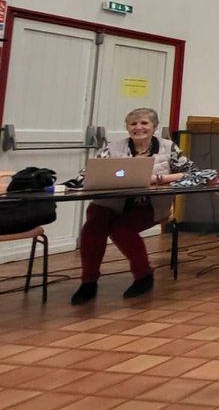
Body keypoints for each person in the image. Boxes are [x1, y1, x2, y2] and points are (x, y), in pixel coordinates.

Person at [70, 108, 201, 305]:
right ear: (127, 127)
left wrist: (160, 179)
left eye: (144, 123)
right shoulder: (112, 148)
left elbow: (194, 173)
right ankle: (88, 282)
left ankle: (143, 275)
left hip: (149, 205)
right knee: (92, 228)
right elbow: (85, 175)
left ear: (154, 127)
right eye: (133, 124)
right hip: (111, 204)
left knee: (121, 229)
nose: (138, 128)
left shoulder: (168, 147)